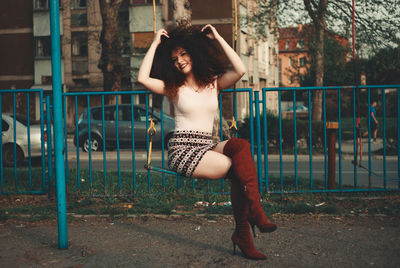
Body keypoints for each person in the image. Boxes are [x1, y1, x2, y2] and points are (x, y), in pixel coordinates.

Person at [138, 24, 276, 260]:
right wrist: (154, 44)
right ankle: (250, 221)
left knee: (241, 147)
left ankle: (250, 222)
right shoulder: (174, 88)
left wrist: (219, 37)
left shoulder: (213, 83)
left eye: (183, 54)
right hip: (183, 151)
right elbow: (142, 78)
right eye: (174, 59)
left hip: (206, 146)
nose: (180, 61)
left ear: (194, 52)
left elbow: (240, 69)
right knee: (238, 169)